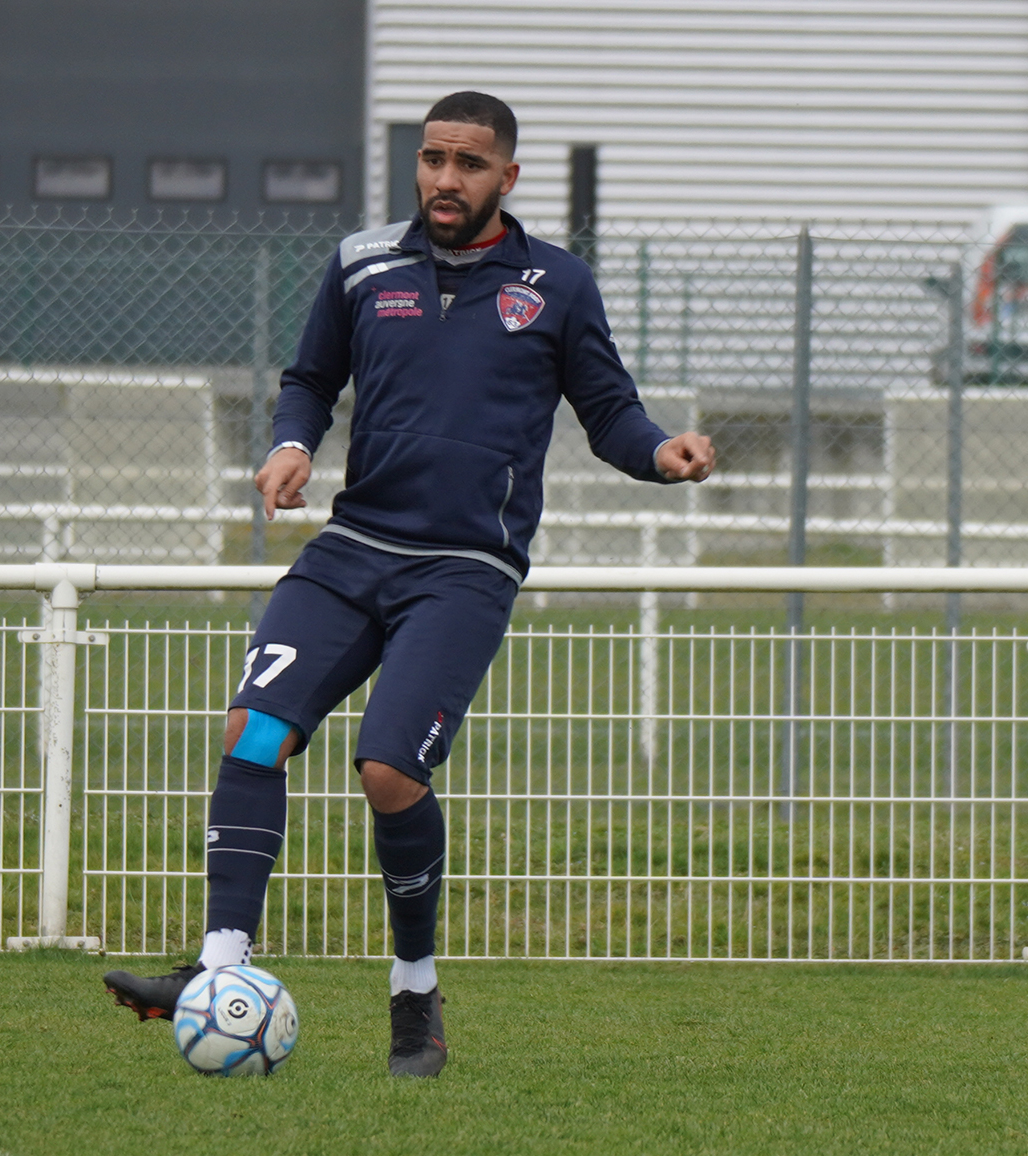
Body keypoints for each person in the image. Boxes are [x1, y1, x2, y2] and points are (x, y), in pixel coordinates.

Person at [104, 90, 715, 1077]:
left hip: (465, 569)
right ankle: (218, 970)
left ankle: (414, 993)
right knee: (253, 728)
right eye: (432, 159)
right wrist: (291, 443)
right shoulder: (360, 263)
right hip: (352, 548)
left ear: (507, 179)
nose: (444, 179)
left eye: (468, 164)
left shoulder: (556, 284)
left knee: (389, 770)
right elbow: (309, 377)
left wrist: (664, 453)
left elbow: (610, 415)